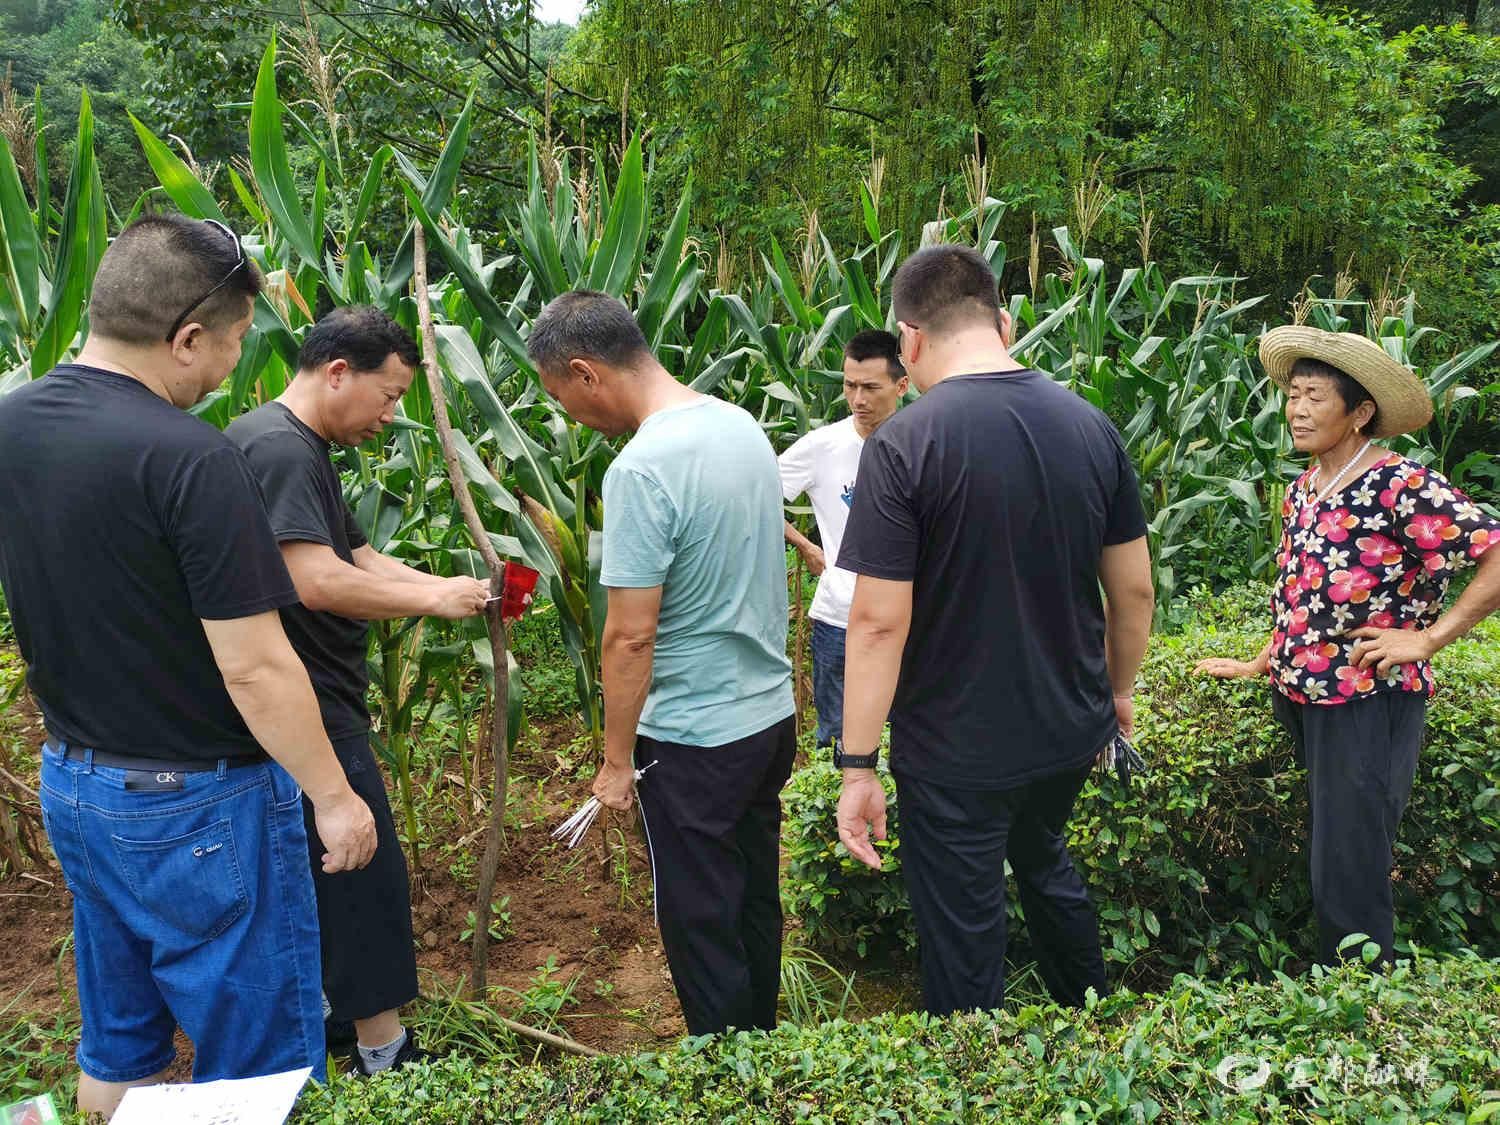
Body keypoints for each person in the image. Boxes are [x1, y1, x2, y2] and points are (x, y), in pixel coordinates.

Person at [0, 214, 377, 1117]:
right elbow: (255, 666)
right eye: (236, 344)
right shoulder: (191, 456)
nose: (232, 370)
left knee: (118, 1037)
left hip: (78, 784)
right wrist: (334, 795)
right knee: (261, 1069)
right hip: (202, 807)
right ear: (186, 338)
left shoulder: (11, 423)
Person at [834, 245, 1156, 1017]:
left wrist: (856, 765)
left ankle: (975, 1067)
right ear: (1004, 323)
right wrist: (1116, 692)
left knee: (964, 924)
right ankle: (1097, 1027)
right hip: (1067, 733)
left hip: (954, 750)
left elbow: (878, 623)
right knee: (1046, 863)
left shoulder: (904, 445)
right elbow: (1135, 589)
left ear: (908, 340)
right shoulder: (1091, 424)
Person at [225, 306, 488, 1074]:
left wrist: (455, 586)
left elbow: (361, 556)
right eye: (389, 393)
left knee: (320, 874)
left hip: (313, 694)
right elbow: (315, 580)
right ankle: (384, 1049)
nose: (392, 414)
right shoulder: (279, 450)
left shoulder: (290, 444)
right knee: (362, 871)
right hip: (304, 701)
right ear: (338, 371)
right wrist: (433, 602)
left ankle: (337, 1019)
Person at [526, 290, 795, 1036]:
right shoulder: (740, 426)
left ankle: (725, 1072)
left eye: (562, 397)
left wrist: (616, 761)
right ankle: (763, 1050)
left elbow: (629, 637)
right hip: (769, 717)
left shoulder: (641, 469)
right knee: (751, 900)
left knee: (699, 919)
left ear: (586, 372)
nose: (571, 417)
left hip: (693, 737)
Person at [1195, 326, 1500, 968]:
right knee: (1334, 845)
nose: (1297, 409)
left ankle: (1358, 991)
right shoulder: (1304, 487)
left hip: (1366, 697)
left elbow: (1494, 552)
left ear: (1360, 413)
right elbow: (1301, 590)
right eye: (1293, 394)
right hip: (1301, 692)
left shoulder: (1400, 485)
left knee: (1351, 857)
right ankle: (1337, 982)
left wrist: (1430, 637)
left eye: (1314, 396)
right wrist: (1264, 660)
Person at [779, 330, 909, 749]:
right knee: (836, 738)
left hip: (913, 619)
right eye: (850, 386)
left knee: (908, 738)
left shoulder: (925, 442)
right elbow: (754, 495)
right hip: (840, 618)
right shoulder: (822, 446)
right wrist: (805, 544)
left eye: (871, 387)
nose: (858, 400)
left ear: (901, 385)